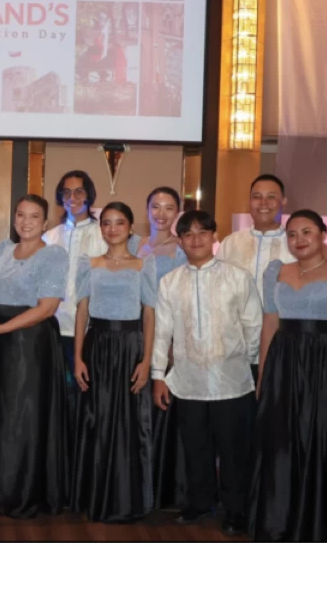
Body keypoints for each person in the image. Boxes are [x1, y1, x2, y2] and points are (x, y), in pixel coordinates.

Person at [248, 210, 327, 542]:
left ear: (323, 233)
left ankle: (318, 527)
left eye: (307, 232)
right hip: (283, 366)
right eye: (292, 234)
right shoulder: (276, 271)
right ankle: (279, 522)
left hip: (325, 365)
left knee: (319, 441)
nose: (299, 240)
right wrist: (263, 376)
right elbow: (269, 326)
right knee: (281, 443)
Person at [152, 210, 261, 536]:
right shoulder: (170, 282)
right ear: (180, 241)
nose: (195, 239)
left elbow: (253, 324)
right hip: (188, 379)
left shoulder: (237, 277)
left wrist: (251, 364)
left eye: (202, 232)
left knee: (233, 449)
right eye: (188, 234)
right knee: (195, 446)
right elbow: (162, 332)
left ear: (214, 236)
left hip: (232, 379)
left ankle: (236, 509)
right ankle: (200, 503)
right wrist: (158, 375)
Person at [0, 195, 69, 518]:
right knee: (0, 414)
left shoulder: (53, 255)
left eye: (34, 216)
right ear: (14, 218)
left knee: (23, 416)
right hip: (0, 342)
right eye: (20, 215)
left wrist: (2, 329)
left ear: (45, 223)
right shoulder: (1, 250)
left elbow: (47, 308)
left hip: (32, 343)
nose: (26, 222)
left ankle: (22, 494)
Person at [71, 202, 158, 523]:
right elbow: (82, 312)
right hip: (97, 347)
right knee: (97, 419)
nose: (112, 229)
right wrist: (78, 357)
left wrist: (146, 361)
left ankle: (125, 500)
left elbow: (150, 314)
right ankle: (94, 496)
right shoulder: (89, 263)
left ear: (131, 227)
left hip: (131, 347)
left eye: (119, 222)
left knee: (129, 423)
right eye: (106, 223)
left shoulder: (144, 264)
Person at [134, 186, 189, 511]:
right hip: (132, 336)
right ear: (147, 210)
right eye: (156, 206)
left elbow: (183, 303)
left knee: (163, 413)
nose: (161, 214)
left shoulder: (182, 249)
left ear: (177, 212)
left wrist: (171, 347)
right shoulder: (133, 244)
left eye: (169, 207)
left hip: (169, 339)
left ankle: (163, 490)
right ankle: (135, 485)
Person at [42, 171, 109, 418]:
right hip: (53, 327)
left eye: (79, 191)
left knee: (88, 397)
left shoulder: (104, 235)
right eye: (67, 192)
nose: (73, 198)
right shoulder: (49, 237)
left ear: (89, 195)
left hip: (91, 330)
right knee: (56, 395)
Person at [216, 174, 295, 300]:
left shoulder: (295, 244)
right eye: (257, 197)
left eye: (271, 197)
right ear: (249, 202)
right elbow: (217, 288)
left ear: (284, 202)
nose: (263, 203)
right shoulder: (231, 243)